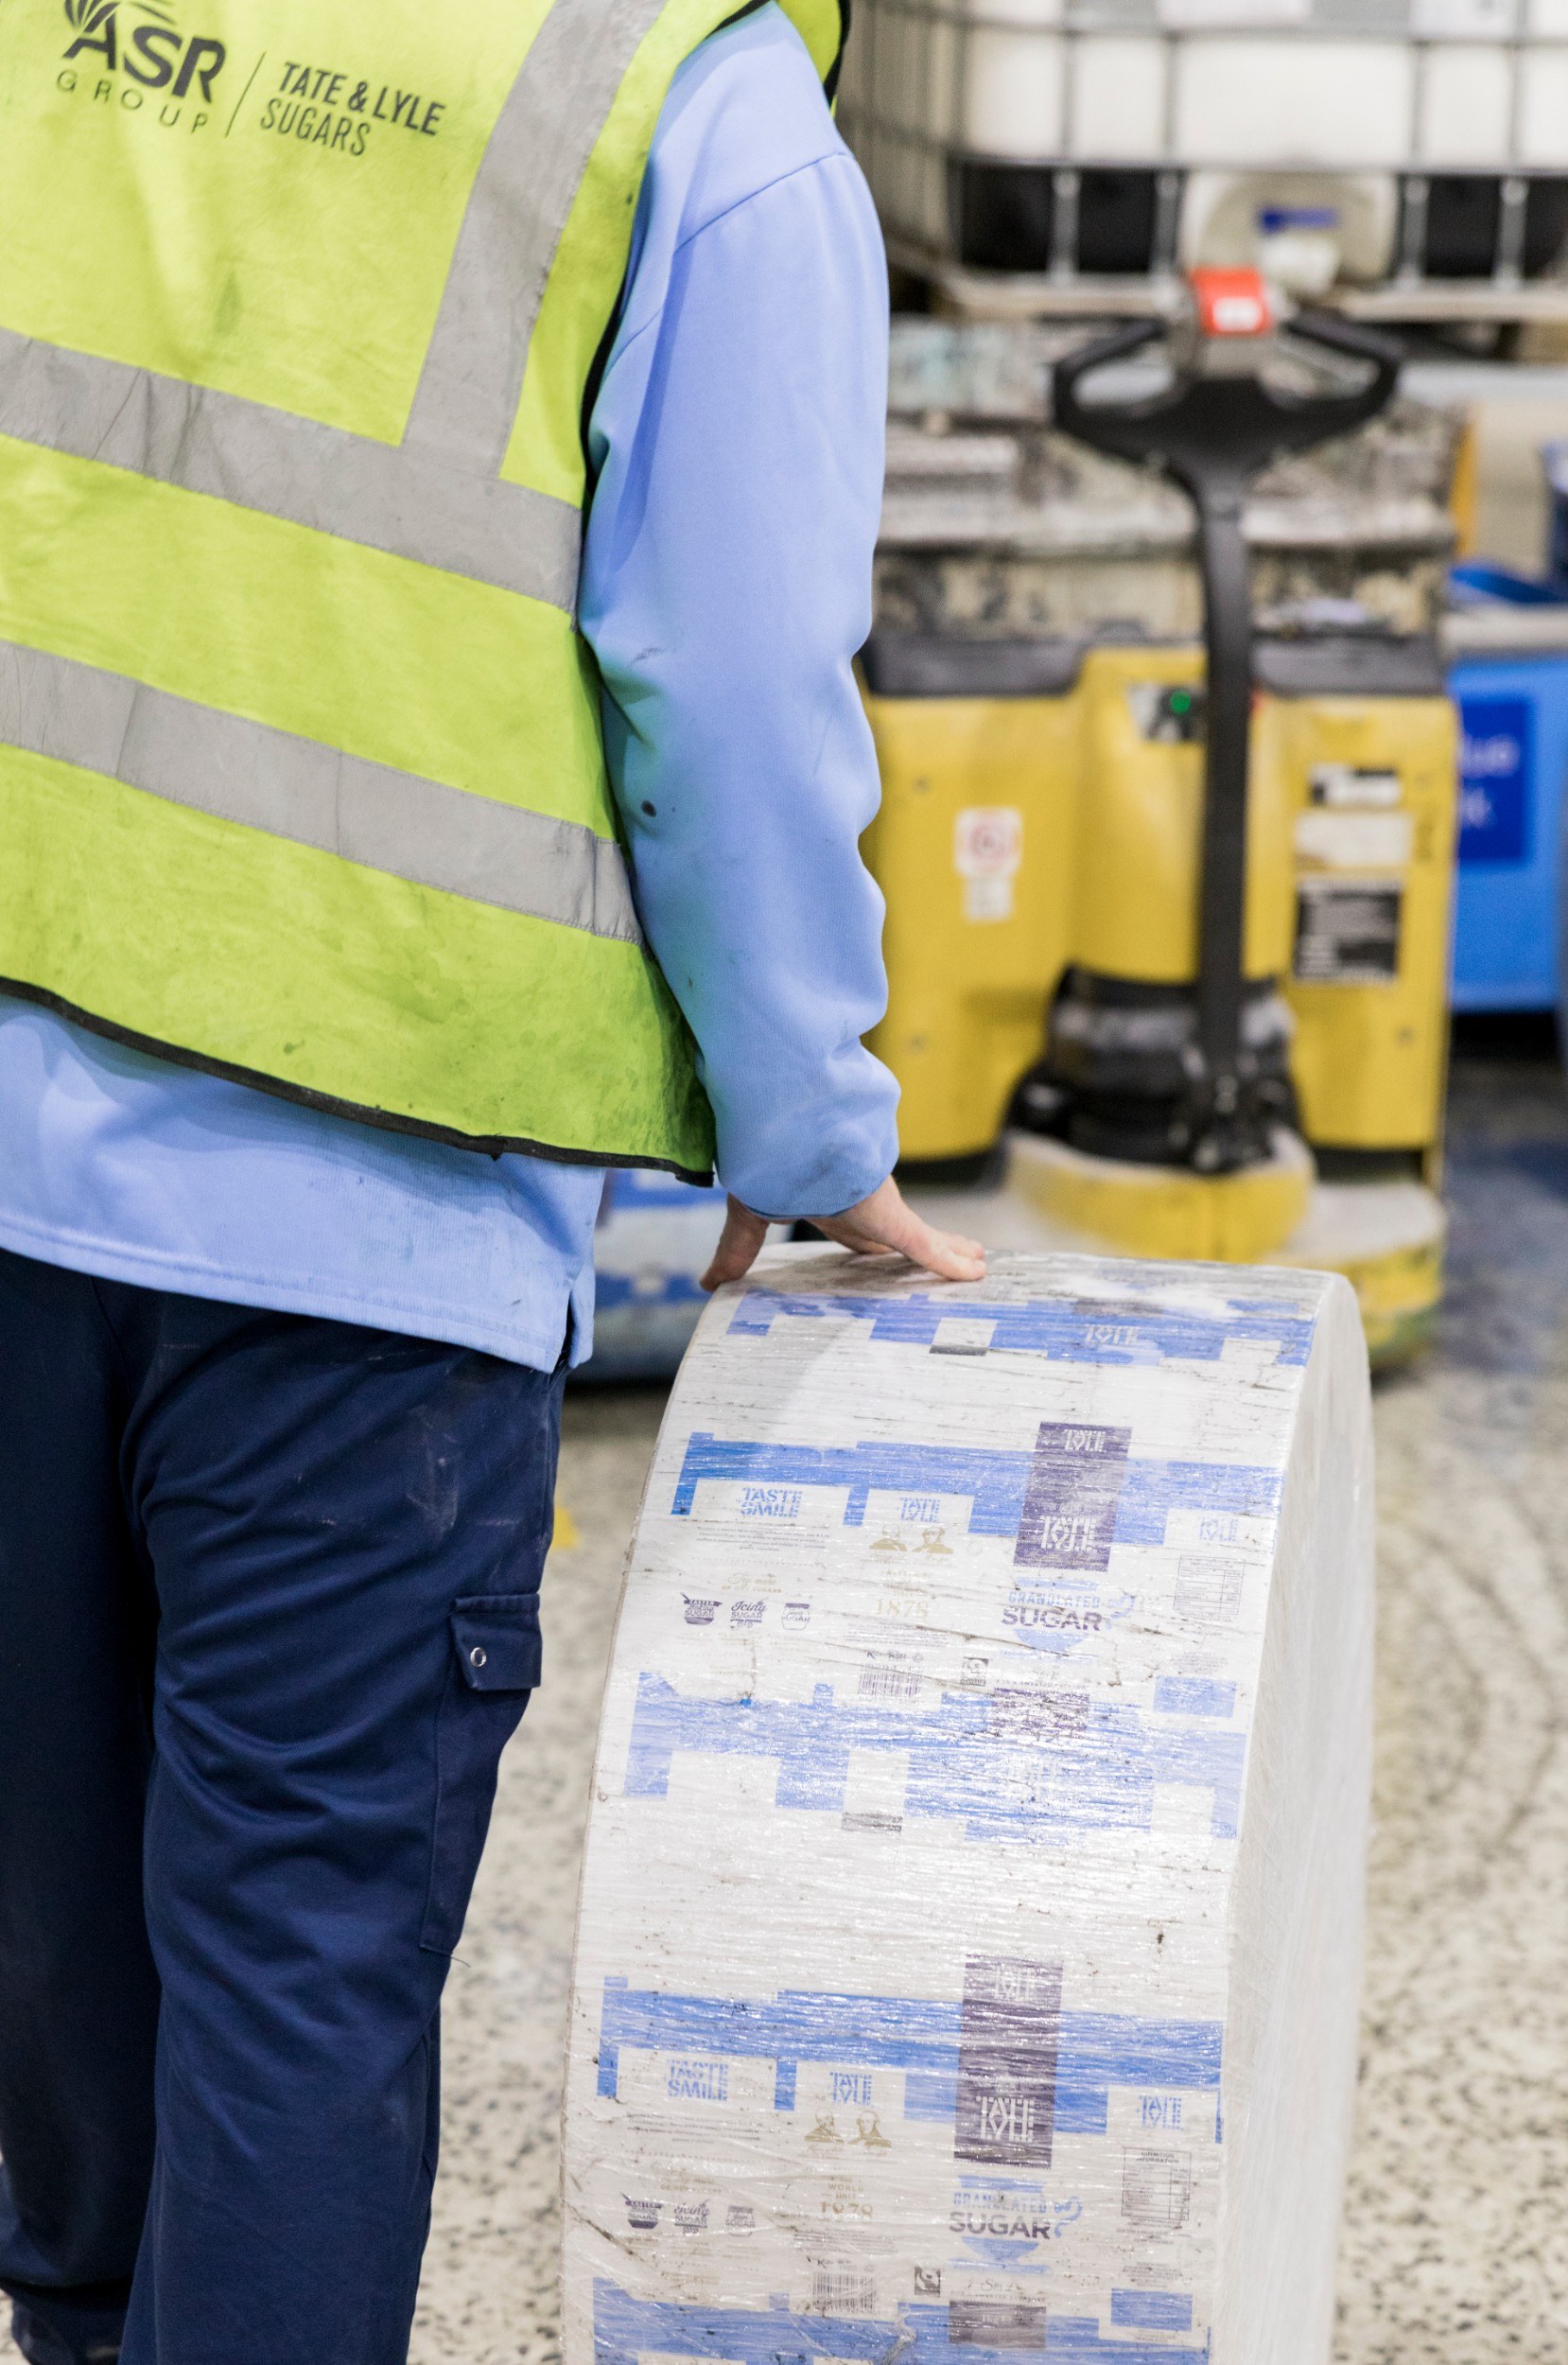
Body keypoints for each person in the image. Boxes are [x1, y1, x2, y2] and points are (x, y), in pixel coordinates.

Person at [0, 2, 984, 2357]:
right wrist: (805, 1117)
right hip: (375, 1248)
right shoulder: (697, 106)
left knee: (53, 1975)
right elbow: (729, 673)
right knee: (293, 1983)